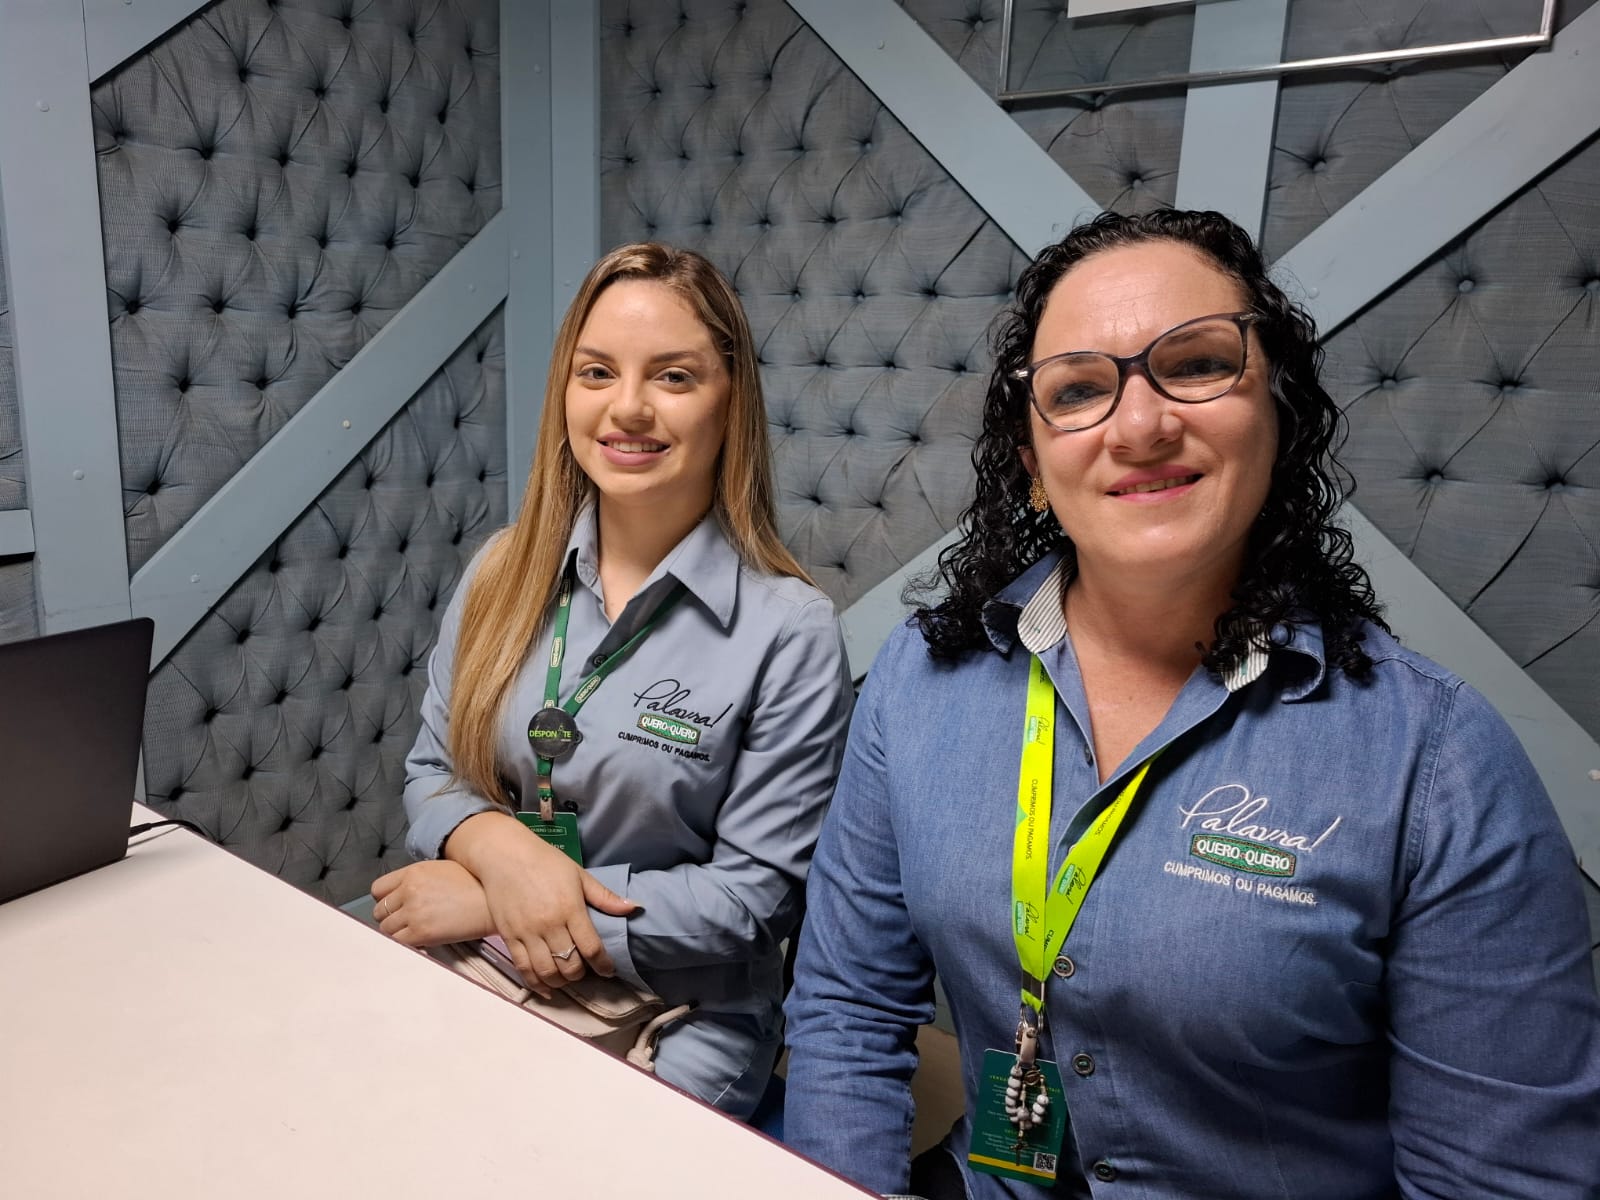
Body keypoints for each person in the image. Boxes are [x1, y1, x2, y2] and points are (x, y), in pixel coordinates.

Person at [782, 209, 1600, 1197]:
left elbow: (1498, 1179)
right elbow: (847, 1008)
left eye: (1199, 365)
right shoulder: (921, 679)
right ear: (1033, 461)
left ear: (1279, 414)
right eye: (1079, 388)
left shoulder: (1436, 760)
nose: (1139, 426)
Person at [374, 242, 853, 1116]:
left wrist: (494, 903)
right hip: (486, 960)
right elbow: (433, 772)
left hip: (678, 1009)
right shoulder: (500, 571)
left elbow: (751, 902)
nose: (627, 407)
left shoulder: (792, 630)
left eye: (673, 377)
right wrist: (501, 855)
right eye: (597, 372)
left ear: (731, 401)